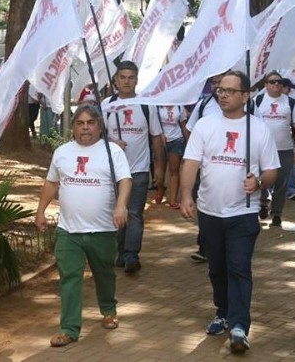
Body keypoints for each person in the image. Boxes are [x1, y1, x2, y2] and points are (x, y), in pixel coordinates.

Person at [180, 70, 280, 354]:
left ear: (245, 95)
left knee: (239, 267)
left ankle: (239, 326)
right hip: (210, 212)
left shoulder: (258, 128)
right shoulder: (205, 125)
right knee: (217, 268)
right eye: (220, 90)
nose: (222, 95)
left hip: (243, 213)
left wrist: (259, 182)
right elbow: (190, 163)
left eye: (229, 90)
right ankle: (222, 311)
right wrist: (186, 194)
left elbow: (273, 170)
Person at [35, 104, 132, 348]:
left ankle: (108, 309)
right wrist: (40, 212)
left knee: (104, 273)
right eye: (80, 123)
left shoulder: (112, 152)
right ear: (73, 127)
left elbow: (125, 180)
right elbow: (51, 183)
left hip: (103, 230)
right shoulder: (63, 152)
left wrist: (121, 206)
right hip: (69, 231)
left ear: (99, 126)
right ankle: (69, 328)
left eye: (90, 123)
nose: (85, 128)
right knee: (70, 277)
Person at [101, 61, 165, 274]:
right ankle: (120, 251)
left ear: (137, 80)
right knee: (117, 212)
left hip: (138, 170)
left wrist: (159, 168)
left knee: (135, 213)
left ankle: (131, 255)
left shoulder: (147, 105)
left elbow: (156, 138)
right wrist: (111, 143)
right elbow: (96, 136)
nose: (126, 81)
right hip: (112, 171)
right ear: (116, 80)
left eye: (131, 77)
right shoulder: (106, 106)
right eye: (123, 77)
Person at [253, 70, 295, 228]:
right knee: (262, 179)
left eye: (279, 82)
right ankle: (262, 203)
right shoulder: (258, 100)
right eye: (272, 82)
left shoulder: (290, 102)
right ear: (266, 85)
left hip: (284, 148)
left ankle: (276, 213)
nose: (276, 84)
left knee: (281, 183)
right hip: (262, 149)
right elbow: (251, 123)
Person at [185, 73, 224, 262]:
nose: (217, 86)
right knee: (204, 204)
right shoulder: (204, 105)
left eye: (221, 81)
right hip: (205, 167)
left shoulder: (246, 106)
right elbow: (190, 128)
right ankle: (204, 246)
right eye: (214, 82)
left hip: (232, 166)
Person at [155, 105, 189, 209]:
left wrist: (189, 143)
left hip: (176, 140)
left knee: (174, 170)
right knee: (159, 173)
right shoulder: (157, 107)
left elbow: (183, 125)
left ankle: (173, 200)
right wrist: (160, 135)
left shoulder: (179, 107)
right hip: (160, 140)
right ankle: (160, 188)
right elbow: (153, 125)